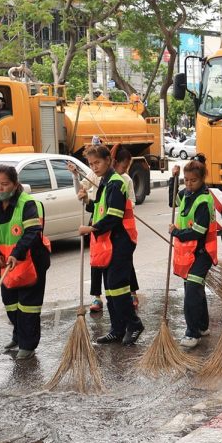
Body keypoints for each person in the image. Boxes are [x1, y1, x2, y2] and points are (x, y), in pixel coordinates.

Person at [0, 164, 51, 360]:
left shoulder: (27, 204)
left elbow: (32, 232)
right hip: (6, 263)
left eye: (5, 184)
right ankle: (18, 335)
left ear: (15, 184)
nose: (0, 188)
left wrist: (17, 253)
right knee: (10, 303)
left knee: (28, 305)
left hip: (31, 259)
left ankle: (28, 345)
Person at [78, 144, 144, 345]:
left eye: (97, 162)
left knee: (118, 287)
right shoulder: (105, 183)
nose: (94, 167)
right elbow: (100, 209)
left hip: (120, 240)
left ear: (108, 160)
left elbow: (114, 216)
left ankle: (134, 324)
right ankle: (117, 329)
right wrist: (87, 200)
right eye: (91, 164)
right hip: (109, 242)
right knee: (110, 288)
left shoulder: (116, 183)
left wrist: (91, 229)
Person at [169, 157, 217, 348]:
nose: (188, 184)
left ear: (202, 179)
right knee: (195, 289)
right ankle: (203, 326)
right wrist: (173, 180)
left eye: (193, 180)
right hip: (189, 253)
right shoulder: (187, 194)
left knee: (191, 291)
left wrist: (176, 232)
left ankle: (192, 332)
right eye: (186, 180)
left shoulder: (204, 200)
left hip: (202, 252)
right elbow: (173, 200)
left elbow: (198, 231)